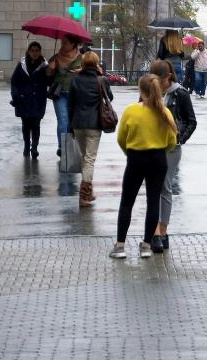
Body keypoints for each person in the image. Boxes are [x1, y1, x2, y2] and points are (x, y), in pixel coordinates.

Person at [109, 74, 177, 259]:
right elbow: (172, 140)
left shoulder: (131, 111)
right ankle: (146, 245)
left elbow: (121, 138)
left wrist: (129, 152)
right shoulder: (165, 112)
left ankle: (120, 245)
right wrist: (162, 150)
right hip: (158, 159)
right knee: (153, 201)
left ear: (141, 90)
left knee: (127, 201)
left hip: (136, 159)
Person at [148, 60, 197, 252]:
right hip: (151, 146)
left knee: (165, 187)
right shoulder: (149, 92)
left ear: (168, 76)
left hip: (171, 148)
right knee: (153, 188)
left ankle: (162, 232)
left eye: (157, 79)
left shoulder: (181, 94)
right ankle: (154, 232)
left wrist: (180, 139)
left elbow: (191, 121)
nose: (155, 83)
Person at [68, 51, 114, 207]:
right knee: (89, 159)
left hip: (78, 124)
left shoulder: (75, 80)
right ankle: (84, 196)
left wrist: (70, 126)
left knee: (84, 158)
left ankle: (89, 191)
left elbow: (71, 104)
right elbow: (110, 97)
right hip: (94, 124)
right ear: (96, 64)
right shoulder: (101, 79)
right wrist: (102, 75)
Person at [10, 42, 48, 158]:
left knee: (36, 124)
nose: (35, 53)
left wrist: (49, 73)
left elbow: (48, 82)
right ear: (28, 51)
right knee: (26, 124)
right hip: (24, 99)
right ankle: (27, 145)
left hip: (38, 100)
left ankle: (34, 147)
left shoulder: (44, 66)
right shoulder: (22, 64)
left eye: (37, 50)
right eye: (32, 50)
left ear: (40, 52)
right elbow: (14, 81)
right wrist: (16, 95)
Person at [46, 35, 82, 157]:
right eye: (62, 42)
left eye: (65, 43)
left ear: (73, 44)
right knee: (63, 121)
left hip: (76, 95)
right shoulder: (55, 58)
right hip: (59, 94)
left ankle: (71, 147)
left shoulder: (82, 58)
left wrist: (83, 70)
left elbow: (97, 71)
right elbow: (46, 77)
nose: (62, 45)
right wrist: (50, 70)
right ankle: (62, 147)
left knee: (73, 122)